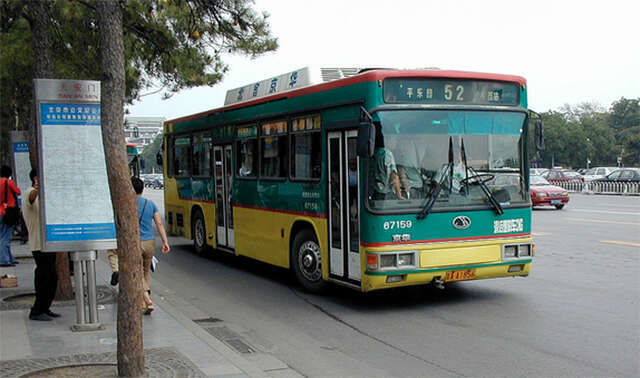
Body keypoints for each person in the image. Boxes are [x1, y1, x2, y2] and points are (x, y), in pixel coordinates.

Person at [22, 168, 60, 321]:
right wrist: (38, 189)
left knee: (51, 277)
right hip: (38, 244)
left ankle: (45, 307)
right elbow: (32, 198)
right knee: (44, 276)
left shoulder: (44, 196)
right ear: (35, 179)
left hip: (48, 242)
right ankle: (37, 310)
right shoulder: (30, 192)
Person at [131, 176, 170, 315]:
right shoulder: (150, 204)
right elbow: (159, 224)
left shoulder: (127, 204)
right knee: (146, 270)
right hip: (150, 242)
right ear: (142, 188)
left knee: (137, 271)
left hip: (135, 242)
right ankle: (144, 300)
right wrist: (165, 241)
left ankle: (146, 299)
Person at [371, 132, 405, 200]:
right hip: (385, 194)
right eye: (394, 139)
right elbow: (394, 177)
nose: (396, 142)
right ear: (387, 140)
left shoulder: (375, 152)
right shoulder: (387, 153)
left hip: (375, 191)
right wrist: (399, 195)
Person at [1, 165, 21, 267]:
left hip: (0, 211)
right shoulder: (9, 182)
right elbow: (18, 192)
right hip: (8, 211)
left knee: (2, 235)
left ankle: (9, 257)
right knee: (6, 237)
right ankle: (4, 260)